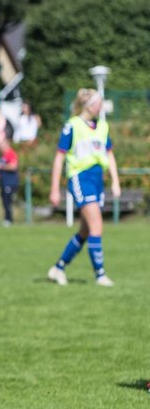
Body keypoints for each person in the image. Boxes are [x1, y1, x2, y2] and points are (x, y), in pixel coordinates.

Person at [47, 88, 120, 287]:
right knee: (97, 226)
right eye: (99, 102)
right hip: (81, 178)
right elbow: (59, 158)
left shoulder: (103, 126)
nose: (101, 106)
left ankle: (58, 268)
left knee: (86, 231)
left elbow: (110, 154)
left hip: (97, 179)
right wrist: (54, 188)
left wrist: (115, 180)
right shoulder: (72, 126)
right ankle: (100, 275)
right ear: (89, 105)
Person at [0, 142, 19, 226]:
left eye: (1, 146)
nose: (0, 149)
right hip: (4, 183)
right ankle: (6, 219)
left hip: (10, 182)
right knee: (4, 201)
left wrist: (0, 166)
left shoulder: (11, 154)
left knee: (8, 202)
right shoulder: (3, 156)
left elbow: (13, 166)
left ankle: (9, 220)